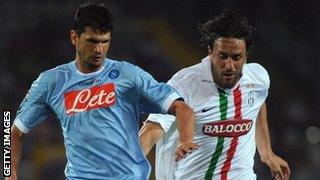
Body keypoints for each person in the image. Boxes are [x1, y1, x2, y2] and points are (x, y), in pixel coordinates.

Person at [9, 3, 198, 180]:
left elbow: (181, 107)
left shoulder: (129, 76)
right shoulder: (51, 82)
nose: (99, 49)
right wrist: (9, 174)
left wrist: (185, 140)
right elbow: (13, 131)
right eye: (92, 41)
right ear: (74, 37)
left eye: (104, 42)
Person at [139, 10, 290, 180]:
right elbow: (153, 129)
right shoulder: (185, 83)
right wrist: (126, 166)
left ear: (246, 56)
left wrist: (266, 152)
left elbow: (258, 104)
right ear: (210, 52)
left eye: (236, 57)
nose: (229, 65)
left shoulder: (258, 78)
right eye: (223, 56)